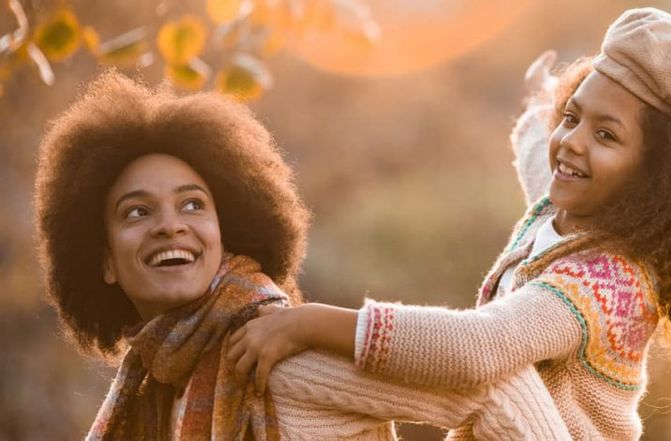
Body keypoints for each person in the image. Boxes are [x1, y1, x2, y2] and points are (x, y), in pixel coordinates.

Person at [229, 7, 671, 440]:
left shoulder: (611, 282)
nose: (573, 142)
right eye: (573, 115)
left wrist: (311, 322)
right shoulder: (563, 209)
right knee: (295, 379)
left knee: (495, 376)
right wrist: (539, 102)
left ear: (657, 178)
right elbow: (539, 154)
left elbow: (480, 346)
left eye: (607, 135)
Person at [34, 70, 570, 440]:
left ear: (228, 230)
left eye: (193, 204)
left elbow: (501, 387)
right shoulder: (152, 389)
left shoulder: (285, 355)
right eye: (136, 212)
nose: (170, 224)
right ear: (101, 260)